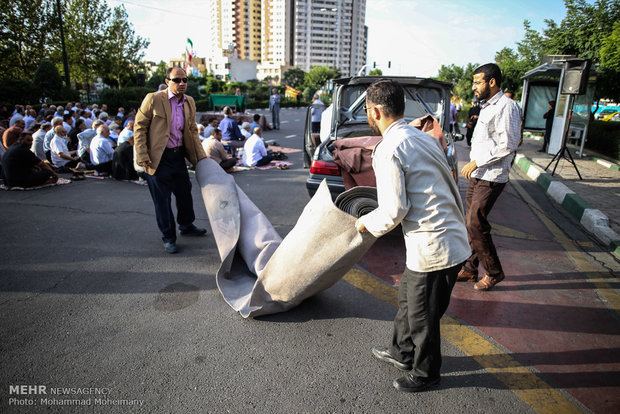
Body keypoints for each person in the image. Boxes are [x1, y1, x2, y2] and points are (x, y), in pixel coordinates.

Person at [355, 80, 470, 393]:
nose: (368, 115)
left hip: (435, 245)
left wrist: (363, 224)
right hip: (441, 238)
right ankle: (401, 352)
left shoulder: (389, 148)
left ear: (375, 111)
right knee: (408, 299)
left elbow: (394, 210)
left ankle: (426, 372)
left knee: (422, 316)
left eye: (366, 110)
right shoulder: (418, 137)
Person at [459, 63, 521, 291]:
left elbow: (509, 144)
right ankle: (469, 268)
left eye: (478, 82)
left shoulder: (507, 106)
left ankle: (494, 272)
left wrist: (478, 161)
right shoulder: (486, 106)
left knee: (476, 222)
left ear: (492, 82)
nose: (474, 86)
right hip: (478, 174)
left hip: (492, 175)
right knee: (470, 223)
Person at [134, 66, 208, 254]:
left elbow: (191, 130)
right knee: (163, 200)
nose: (182, 83)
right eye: (177, 80)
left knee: (185, 192)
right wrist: (143, 155)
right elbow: (139, 127)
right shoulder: (153, 99)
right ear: (168, 82)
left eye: (184, 80)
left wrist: (201, 158)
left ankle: (186, 224)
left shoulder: (189, 101)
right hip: (157, 158)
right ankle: (168, 237)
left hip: (178, 156)